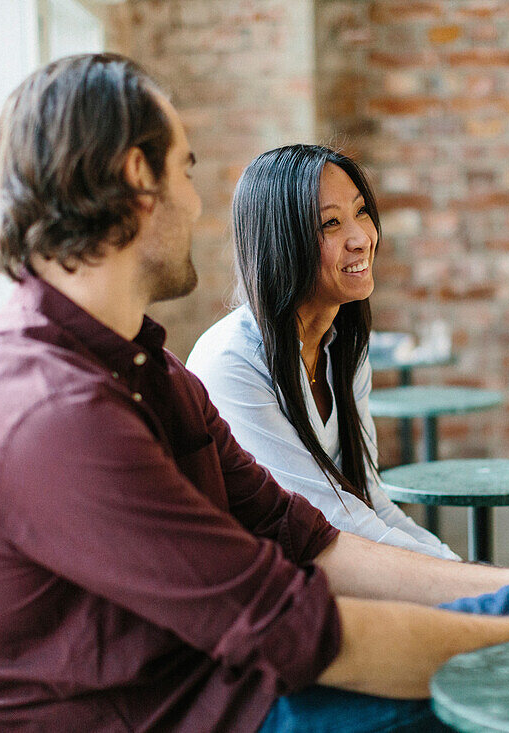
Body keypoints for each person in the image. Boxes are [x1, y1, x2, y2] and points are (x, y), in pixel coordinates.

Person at [0, 53, 509, 733]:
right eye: (186, 169)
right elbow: (299, 631)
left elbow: (310, 538)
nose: (199, 203)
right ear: (138, 182)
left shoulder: (145, 368)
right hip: (183, 712)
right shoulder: (54, 413)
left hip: (216, 682)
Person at [188, 144, 460, 559]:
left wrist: (456, 566)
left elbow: (369, 501)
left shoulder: (344, 347)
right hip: (265, 589)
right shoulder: (231, 362)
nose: (361, 239)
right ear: (281, 243)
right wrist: (473, 583)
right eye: (330, 223)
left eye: (361, 211)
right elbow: (328, 520)